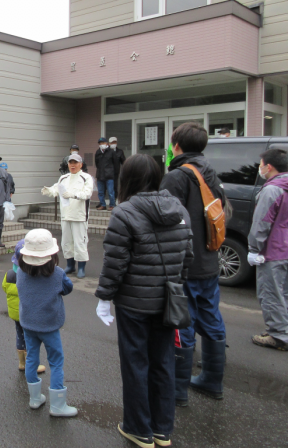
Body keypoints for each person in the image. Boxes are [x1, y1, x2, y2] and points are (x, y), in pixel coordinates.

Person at [95, 154, 194, 448]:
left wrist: (104, 297)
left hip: (134, 304)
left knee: (136, 364)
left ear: (128, 178)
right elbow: (186, 258)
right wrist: (177, 285)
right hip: (167, 301)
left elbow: (115, 262)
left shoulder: (124, 212)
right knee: (163, 361)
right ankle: (163, 430)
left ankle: (139, 429)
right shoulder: (180, 210)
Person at [160, 122, 227, 406]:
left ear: (176, 145)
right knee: (211, 316)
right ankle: (212, 380)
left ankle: (176, 389)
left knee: (181, 321)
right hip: (210, 260)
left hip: (184, 263)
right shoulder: (210, 173)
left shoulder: (177, 176)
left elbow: (166, 219)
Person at [16, 229, 76, 417]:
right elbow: (68, 288)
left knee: (32, 358)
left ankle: (35, 398)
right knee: (56, 361)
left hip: (28, 324)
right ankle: (57, 405)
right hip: (50, 325)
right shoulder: (57, 274)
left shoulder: (20, 273)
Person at [247, 149, 288, 351]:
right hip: (285, 249)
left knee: (271, 294)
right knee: (285, 293)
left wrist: (254, 249)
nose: (259, 167)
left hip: (272, 252)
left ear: (269, 166)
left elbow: (262, 222)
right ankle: (283, 329)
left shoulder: (272, 190)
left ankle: (278, 336)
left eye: (261, 163)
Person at [41, 153, 94, 278]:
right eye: (71, 163)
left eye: (75, 163)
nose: (73, 165)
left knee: (80, 242)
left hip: (80, 216)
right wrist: (49, 191)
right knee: (66, 242)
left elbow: (87, 193)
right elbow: (56, 189)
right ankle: (70, 265)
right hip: (65, 215)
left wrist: (73, 195)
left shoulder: (86, 177)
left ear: (80, 164)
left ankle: (81, 267)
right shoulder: (63, 178)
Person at [2, 239, 45, 375]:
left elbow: (4, 287)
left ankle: (21, 362)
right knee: (31, 337)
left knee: (19, 335)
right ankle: (32, 364)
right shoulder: (29, 276)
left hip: (15, 313)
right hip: (27, 313)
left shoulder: (9, 274)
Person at [95, 137, 116, 210]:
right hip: (100, 175)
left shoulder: (111, 152)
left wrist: (113, 173)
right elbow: (96, 164)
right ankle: (103, 205)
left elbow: (115, 163)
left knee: (110, 192)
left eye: (103, 143)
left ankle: (112, 205)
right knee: (100, 192)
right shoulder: (98, 152)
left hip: (109, 175)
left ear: (106, 143)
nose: (101, 145)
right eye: (100, 143)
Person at [109, 137, 126, 201]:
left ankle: (114, 201)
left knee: (114, 186)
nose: (114, 144)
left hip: (115, 172)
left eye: (115, 142)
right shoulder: (107, 151)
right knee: (107, 188)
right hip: (107, 172)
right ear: (109, 143)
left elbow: (123, 161)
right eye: (112, 142)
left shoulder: (120, 151)